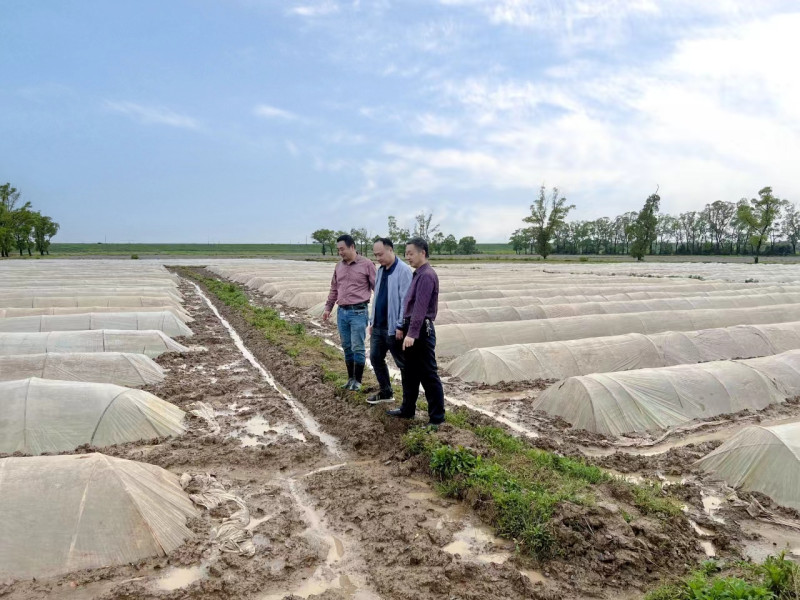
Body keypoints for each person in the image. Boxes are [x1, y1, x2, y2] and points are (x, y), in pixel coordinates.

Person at [386, 237, 445, 425]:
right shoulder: (418, 274)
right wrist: (402, 327)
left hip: (421, 331)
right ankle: (407, 409)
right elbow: (409, 305)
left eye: (411, 253)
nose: (407, 257)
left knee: (428, 375)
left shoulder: (426, 275)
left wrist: (412, 333)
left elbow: (420, 308)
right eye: (406, 253)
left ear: (423, 253)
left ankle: (437, 419)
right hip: (412, 327)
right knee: (410, 373)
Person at [323, 234, 375, 391]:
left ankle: (358, 381)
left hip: (358, 312)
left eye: (342, 249)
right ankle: (350, 379)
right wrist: (328, 308)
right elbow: (334, 289)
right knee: (346, 346)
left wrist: (377, 315)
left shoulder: (367, 264)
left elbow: (377, 288)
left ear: (352, 247)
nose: (340, 252)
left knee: (358, 346)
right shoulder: (339, 266)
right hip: (342, 312)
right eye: (338, 250)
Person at [366, 238, 413, 405]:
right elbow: (377, 296)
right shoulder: (380, 271)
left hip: (394, 328)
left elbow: (405, 301)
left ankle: (408, 404)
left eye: (381, 254)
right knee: (375, 358)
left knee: (403, 365)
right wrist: (372, 321)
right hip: (378, 326)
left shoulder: (403, 271)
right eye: (376, 255)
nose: (378, 258)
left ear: (391, 250)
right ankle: (386, 391)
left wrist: (401, 325)